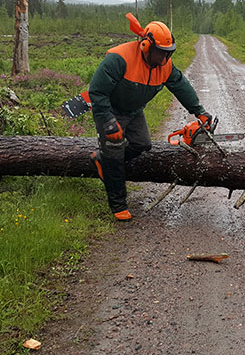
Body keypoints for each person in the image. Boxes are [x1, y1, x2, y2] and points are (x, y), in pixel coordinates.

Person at [88, 13, 211, 221]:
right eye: (161, 53)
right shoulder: (119, 58)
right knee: (115, 151)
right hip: (110, 109)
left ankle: (102, 160)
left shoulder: (165, 66)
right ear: (146, 46)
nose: (165, 59)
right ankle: (118, 204)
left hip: (134, 111)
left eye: (168, 54)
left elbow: (181, 86)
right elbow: (97, 92)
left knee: (142, 144)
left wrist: (198, 110)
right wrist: (108, 121)